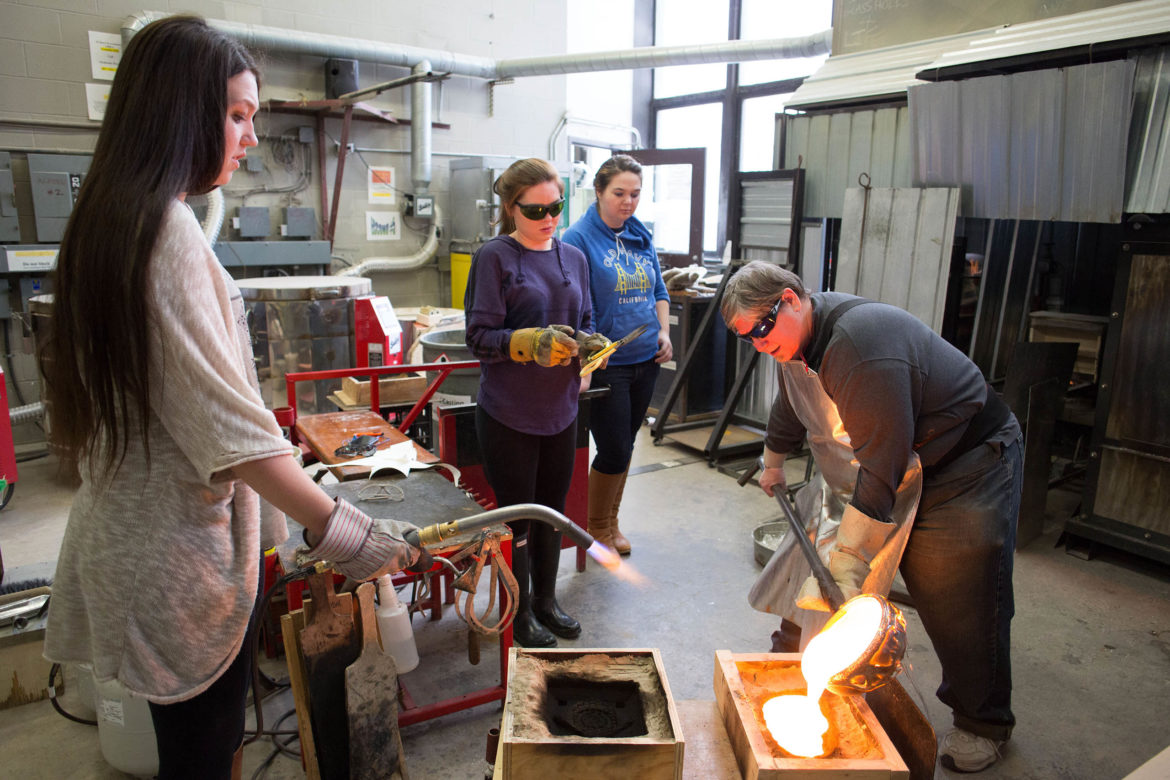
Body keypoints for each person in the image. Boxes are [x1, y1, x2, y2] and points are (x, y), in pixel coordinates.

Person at [40, 17, 428, 779]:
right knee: (202, 759)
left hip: (132, 538)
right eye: (238, 114)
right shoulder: (166, 232)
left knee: (193, 752)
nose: (250, 136)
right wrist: (344, 532)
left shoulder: (106, 219)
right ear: (177, 111)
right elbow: (232, 432)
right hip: (178, 556)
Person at [721, 261, 1022, 774]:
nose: (759, 343)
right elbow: (793, 402)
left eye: (763, 329)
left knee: (957, 593)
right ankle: (794, 658)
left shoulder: (861, 350)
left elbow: (883, 472)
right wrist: (773, 460)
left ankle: (983, 721)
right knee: (814, 563)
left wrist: (853, 558)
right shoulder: (792, 338)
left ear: (792, 299)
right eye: (746, 337)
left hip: (963, 463)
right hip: (889, 458)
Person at [464, 158, 605, 648]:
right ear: (510, 208)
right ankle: (518, 610)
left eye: (557, 206)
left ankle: (547, 601)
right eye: (536, 209)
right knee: (518, 518)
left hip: (561, 409)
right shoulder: (495, 258)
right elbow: (478, 337)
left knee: (554, 510)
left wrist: (590, 352)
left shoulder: (575, 258)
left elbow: (585, 317)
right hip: (509, 413)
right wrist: (524, 342)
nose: (550, 218)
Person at [562, 155, 672, 555]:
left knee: (625, 443)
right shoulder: (577, 239)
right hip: (609, 362)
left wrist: (664, 330)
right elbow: (572, 308)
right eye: (619, 193)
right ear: (599, 192)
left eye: (635, 194)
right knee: (614, 448)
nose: (628, 202)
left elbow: (658, 290)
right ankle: (595, 529)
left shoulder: (640, 234)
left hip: (646, 359)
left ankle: (611, 522)